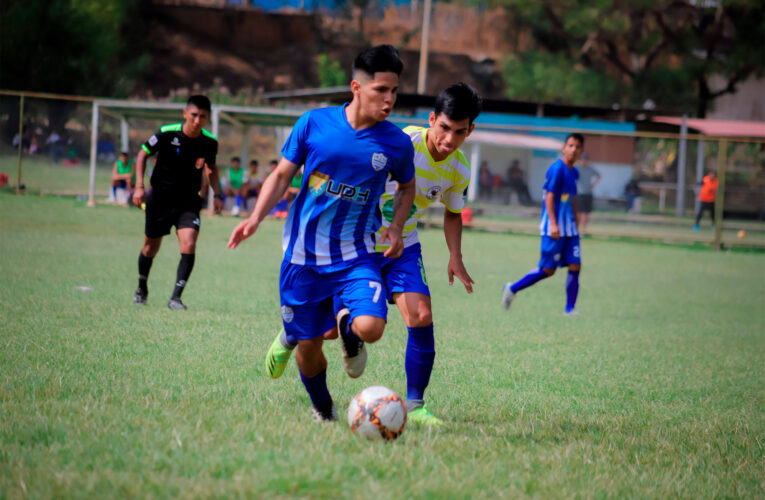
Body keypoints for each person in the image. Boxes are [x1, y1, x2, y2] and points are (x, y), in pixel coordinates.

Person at [263, 83, 483, 426]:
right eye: (443, 128)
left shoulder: (459, 170)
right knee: (327, 333)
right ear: (432, 120)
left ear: (470, 130)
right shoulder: (398, 142)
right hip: (355, 244)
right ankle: (292, 334)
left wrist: (456, 256)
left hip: (403, 246)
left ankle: (415, 405)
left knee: (421, 316)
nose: (449, 140)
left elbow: (453, 213)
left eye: (459, 132)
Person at [228, 45, 416, 422]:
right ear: (356, 88)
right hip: (303, 258)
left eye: (394, 91)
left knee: (372, 327)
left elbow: (407, 187)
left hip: (356, 254)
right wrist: (254, 218)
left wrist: (395, 226)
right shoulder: (313, 124)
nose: (390, 99)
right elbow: (282, 174)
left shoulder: (396, 143)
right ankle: (323, 409)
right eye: (381, 89)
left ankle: (349, 331)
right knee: (310, 346)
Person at [132, 95, 224, 310]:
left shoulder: (209, 142)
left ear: (207, 118)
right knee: (150, 248)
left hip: (189, 202)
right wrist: (139, 186)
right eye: (193, 115)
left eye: (202, 116)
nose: (196, 120)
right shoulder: (167, 133)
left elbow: (211, 168)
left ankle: (176, 298)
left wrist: (217, 194)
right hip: (160, 200)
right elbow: (142, 154)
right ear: (185, 113)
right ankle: (142, 287)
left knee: (189, 243)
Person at [501, 133, 584, 316]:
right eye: (570, 145)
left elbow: (573, 198)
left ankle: (569, 309)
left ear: (581, 151)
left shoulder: (574, 172)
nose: (573, 150)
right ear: (564, 148)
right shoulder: (557, 169)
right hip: (553, 228)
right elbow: (549, 197)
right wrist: (554, 224)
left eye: (577, 147)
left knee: (575, 264)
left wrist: (576, 219)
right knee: (548, 270)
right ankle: (512, 288)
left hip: (570, 229)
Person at [576, 153, 600, 233]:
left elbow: (599, 175)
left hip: (588, 194)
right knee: (579, 213)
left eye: (585, 160)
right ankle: (577, 230)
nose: (583, 162)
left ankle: (583, 231)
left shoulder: (590, 169)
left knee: (586, 214)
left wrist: (593, 184)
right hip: (579, 193)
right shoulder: (577, 168)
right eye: (582, 160)